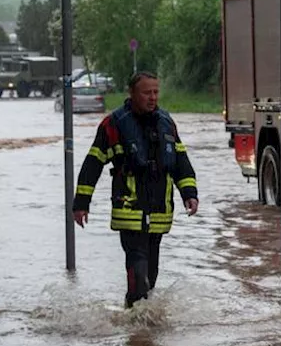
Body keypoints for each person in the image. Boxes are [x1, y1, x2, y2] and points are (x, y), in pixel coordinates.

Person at [73, 71, 199, 308]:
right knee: (138, 270)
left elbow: (181, 162)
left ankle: (139, 326)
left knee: (151, 274)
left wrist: (190, 194)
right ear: (132, 94)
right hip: (129, 210)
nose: (152, 97)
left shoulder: (166, 122)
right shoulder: (114, 124)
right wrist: (81, 203)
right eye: (146, 93)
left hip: (159, 211)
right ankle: (135, 327)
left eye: (156, 92)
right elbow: (93, 163)